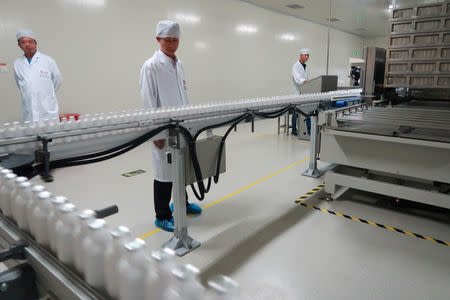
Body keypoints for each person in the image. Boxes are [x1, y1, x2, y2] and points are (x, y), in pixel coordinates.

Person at [140, 20, 202, 232]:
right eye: (167, 40)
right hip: (163, 131)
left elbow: (184, 95)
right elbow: (149, 101)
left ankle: (182, 204)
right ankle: (162, 215)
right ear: (158, 39)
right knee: (164, 173)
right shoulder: (151, 66)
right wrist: (155, 133)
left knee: (181, 168)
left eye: (175, 40)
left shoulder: (179, 64)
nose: (172, 44)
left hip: (183, 127)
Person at [14, 29, 62, 122]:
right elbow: (20, 84)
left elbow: (57, 80)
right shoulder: (17, 63)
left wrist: (47, 94)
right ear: (19, 45)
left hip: (47, 110)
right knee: (32, 134)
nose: (27, 45)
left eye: (30, 41)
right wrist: (31, 92)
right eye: (23, 42)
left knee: (49, 134)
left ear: (35, 43)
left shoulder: (48, 60)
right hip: (29, 110)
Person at [291, 48, 310, 135]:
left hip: (302, 93)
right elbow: (298, 79)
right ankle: (294, 130)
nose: (307, 57)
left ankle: (301, 128)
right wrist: (307, 81)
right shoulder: (296, 66)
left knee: (300, 112)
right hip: (297, 93)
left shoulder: (303, 66)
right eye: (305, 55)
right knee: (296, 112)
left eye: (308, 55)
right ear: (301, 56)